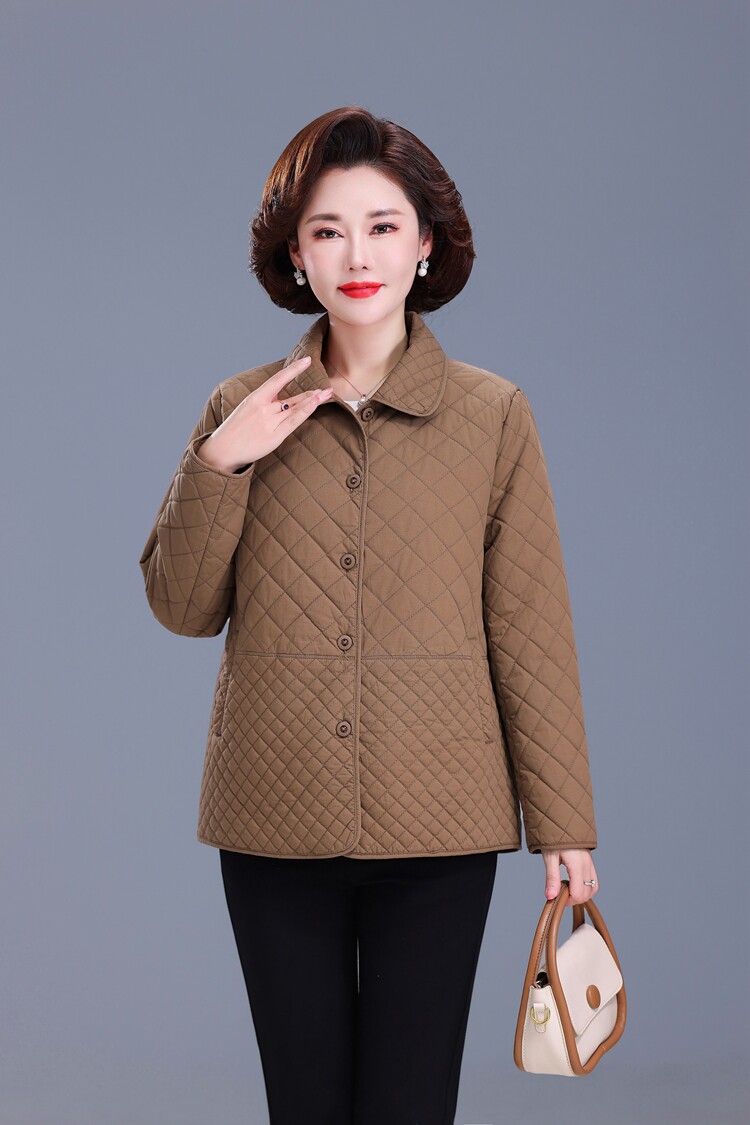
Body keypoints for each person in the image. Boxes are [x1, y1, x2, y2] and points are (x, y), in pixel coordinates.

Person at [139, 106, 600, 1125]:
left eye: (383, 226)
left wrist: (565, 824)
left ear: (425, 243)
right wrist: (222, 462)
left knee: (409, 1105)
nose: (357, 255)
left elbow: (531, 626)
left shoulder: (493, 414)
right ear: (294, 254)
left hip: (442, 821)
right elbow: (181, 608)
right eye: (328, 229)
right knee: (303, 1104)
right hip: (273, 816)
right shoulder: (238, 406)